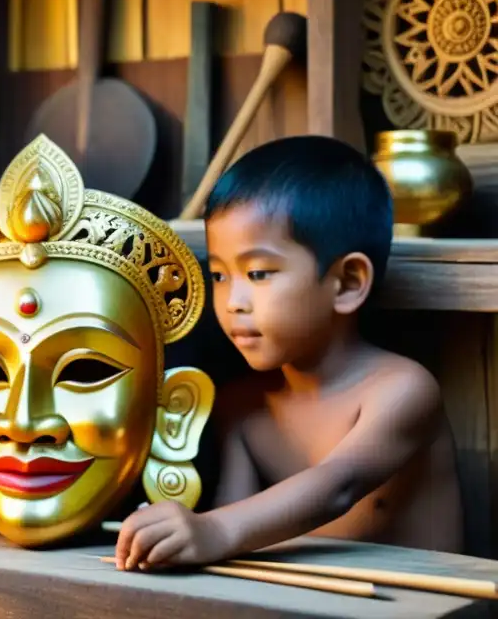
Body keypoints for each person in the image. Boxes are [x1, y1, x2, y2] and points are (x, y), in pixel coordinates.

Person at [115, 135, 463, 571]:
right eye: (220, 275)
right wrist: (175, 539)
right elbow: (235, 547)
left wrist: (213, 530)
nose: (232, 301)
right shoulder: (241, 408)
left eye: (258, 273)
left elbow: (337, 485)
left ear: (348, 282)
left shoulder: (401, 391)